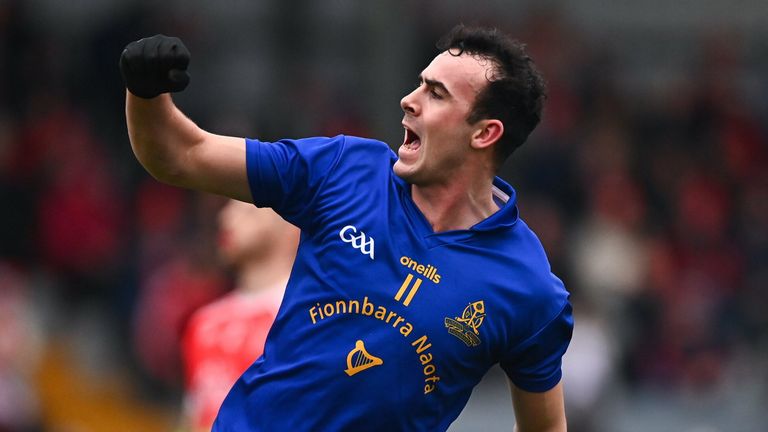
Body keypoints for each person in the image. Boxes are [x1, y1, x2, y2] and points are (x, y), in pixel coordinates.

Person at [121, 24, 573, 431]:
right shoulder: (341, 169)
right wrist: (145, 94)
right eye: (419, 84)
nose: (408, 100)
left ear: (484, 134)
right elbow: (181, 155)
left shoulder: (529, 288)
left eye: (436, 94)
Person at [180, 200, 299, 431]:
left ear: (292, 225)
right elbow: (196, 418)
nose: (225, 217)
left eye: (247, 207)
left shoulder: (306, 320)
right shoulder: (205, 323)